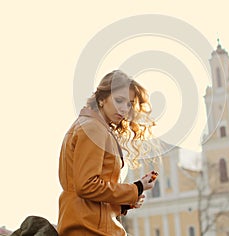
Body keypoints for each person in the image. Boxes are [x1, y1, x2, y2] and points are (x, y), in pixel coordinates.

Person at [57, 70, 158, 236]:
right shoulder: (93, 129)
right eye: (119, 100)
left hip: (85, 225)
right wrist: (136, 188)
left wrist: (125, 202)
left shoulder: (89, 126)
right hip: (91, 230)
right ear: (102, 99)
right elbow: (87, 185)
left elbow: (87, 193)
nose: (124, 109)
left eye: (129, 104)